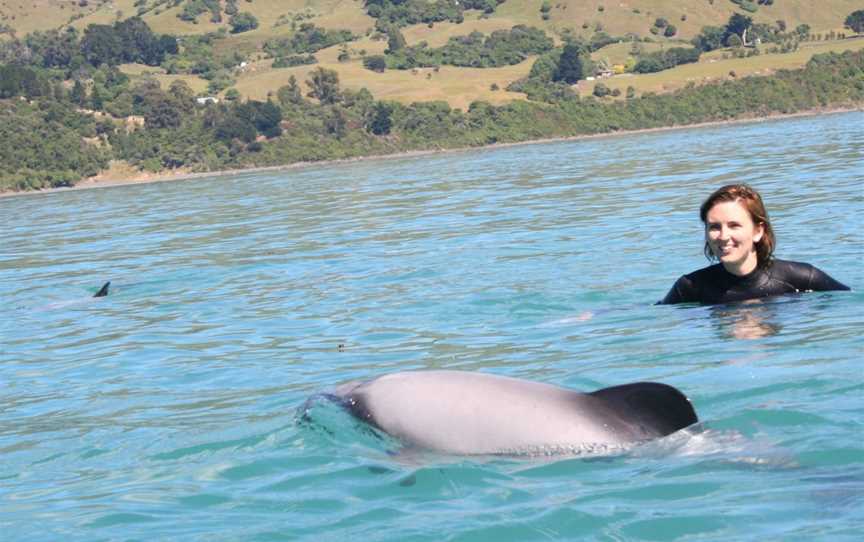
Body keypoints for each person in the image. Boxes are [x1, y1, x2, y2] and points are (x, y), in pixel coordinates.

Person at [659, 184, 849, 305]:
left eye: (734, 225)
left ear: (758, 231)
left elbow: (849, 304)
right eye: (715, 227)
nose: (724, 236)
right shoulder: (690, 287)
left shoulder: (803, 277)